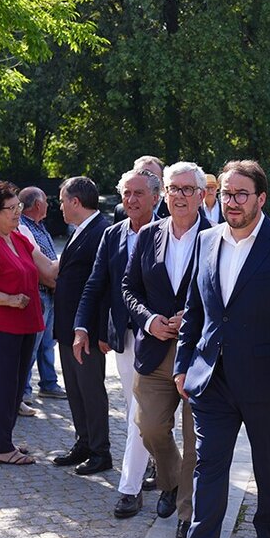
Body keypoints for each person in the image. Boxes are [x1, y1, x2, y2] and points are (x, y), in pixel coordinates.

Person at [161, 160, 270, 538]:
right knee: (209, 464)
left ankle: (267, 533)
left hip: (267, 382)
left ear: (260, 198)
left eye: (241, 194)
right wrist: (183, 364)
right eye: (227, 194)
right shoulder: (207, 240)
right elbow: (195, 309)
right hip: (212, 378)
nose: (232, 202)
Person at [123, 162, 212, 538]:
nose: (180, 196)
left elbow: (227, 293)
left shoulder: (218, 237)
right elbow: (129, 288)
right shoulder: (149, 235)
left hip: (199, 355)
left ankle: (186, 514)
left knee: (195, 441)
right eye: (174, 189)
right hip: (154, 349)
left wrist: (192, 316)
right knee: (150, 427)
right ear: (165, 193)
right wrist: (149, 320)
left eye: (188, 189)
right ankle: (172, 481)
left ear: (201, 195)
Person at [73, 170, 158, 505]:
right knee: (135, 407)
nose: (131, 200)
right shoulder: (112, 235)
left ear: (156, 197)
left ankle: (130, 486)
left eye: (139, 193)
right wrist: (83, 327)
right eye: (126, 193)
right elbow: (95, 284)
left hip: (160, 337)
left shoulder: (169, 232)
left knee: (143, 409)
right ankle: (159, 466)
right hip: (123, 336)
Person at [0, 181, 60, 464]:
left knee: (15, 387)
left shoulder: (17, 238)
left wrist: (80, 243)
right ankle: (4, 448)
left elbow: (48, 271)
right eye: (12, 208)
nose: (19, 211)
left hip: (24, 323)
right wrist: (7, 299)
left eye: (18, 206)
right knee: (4, 387)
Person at [52, 177, 113, 473]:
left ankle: (101, 451)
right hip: (69, 327)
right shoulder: (81, 230)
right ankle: (84, 443)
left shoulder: (101, 231)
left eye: (62, 201)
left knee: (90, 390)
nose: (60, 207)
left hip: (85, 331)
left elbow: (103, 287)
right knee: (75, 389)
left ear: (75, 201)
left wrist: (96, 331)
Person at [17, 187, 65, 401]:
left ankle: (48, 383)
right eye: (45, 200)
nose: (48, 204)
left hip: (50, 291)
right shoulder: (22, 228)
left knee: (47, 343)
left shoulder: (39, 226)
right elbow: (34, 265)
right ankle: (23, 390)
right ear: (37, 204)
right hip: (39, 292)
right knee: (33, 344)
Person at [112, 156, 170, 223]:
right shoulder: (121, 211)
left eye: (152, 177)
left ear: (163, 183)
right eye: (139, 175)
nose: (143, 181)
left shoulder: (173, 212)